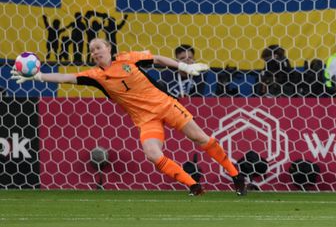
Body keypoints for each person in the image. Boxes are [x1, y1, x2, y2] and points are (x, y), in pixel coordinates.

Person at [11, 38, 248, 196]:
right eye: (92, 50)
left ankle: (235, 175)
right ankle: (193, 185)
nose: (95, 52)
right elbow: (65, 77)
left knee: (200, 138)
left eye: (98, 47)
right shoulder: (95, 76)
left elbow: (156, 59)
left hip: (166, 105)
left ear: (109, 49)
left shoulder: (128, 58)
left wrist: (184, 68)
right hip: (145, 119)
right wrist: (39, 77)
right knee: (153, 154)